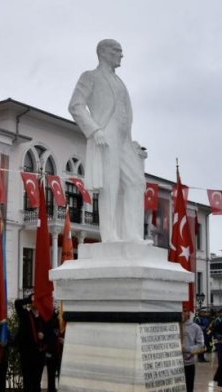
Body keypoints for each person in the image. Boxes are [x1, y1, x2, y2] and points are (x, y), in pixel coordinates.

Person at [69, 38, 146, 243]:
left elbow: (125, 113)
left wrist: (132, 143)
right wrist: (94, 130)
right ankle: (110, 234)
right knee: (110, 184)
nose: (122, 55)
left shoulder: (120, 82)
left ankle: (132, 234)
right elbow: (75, 105)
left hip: (124, 139)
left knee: (136, 182)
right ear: (103, 52)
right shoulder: (90, 77)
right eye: (117, 50)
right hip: (106, 133)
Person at [15, 294, 46, 392]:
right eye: (33, 301)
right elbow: (17, 303)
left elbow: (50, 332)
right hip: (26, 354)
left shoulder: (44, 317)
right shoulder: (25, 315)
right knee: (28, 381)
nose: (35, 302)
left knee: (36, 382)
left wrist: (44, 336)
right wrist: (29, 299)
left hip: (39, 354)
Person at [181, 309, 205, 392]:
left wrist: (187, 349)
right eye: (181, 310)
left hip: (188, 364)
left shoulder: (195, 327)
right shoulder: (173, 325)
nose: (183, 313)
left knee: (188, 390)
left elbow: (201, 346)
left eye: (185, 310)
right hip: (174, 365)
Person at [44, 307, 64, 392]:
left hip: (61, 355)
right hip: (51, 354)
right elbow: (47, 337)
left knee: (62, 379)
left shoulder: (65, 324)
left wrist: (64, 341)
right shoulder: (49, 322)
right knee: (51, 381)